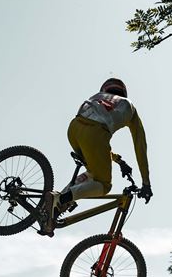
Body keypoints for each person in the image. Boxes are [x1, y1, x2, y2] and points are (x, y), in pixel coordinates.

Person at [44, 78, 152, 233]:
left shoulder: (97, 96)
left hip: (74, 129)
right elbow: (140, 147)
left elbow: (96, 144)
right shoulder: (129, 106)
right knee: (104, 185)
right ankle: (61, 199)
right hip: (95, 134)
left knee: (92, 173)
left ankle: (51, 209)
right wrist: (146, 183)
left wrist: (118, 160)